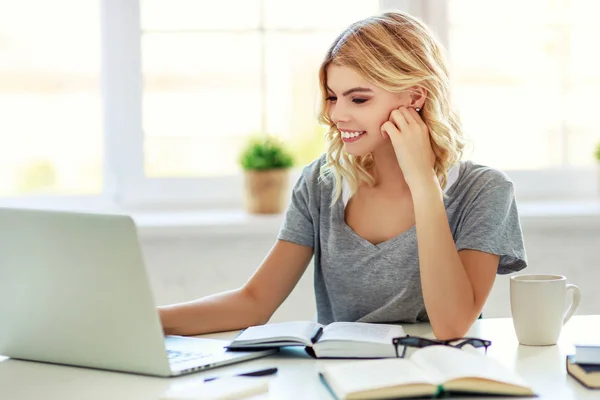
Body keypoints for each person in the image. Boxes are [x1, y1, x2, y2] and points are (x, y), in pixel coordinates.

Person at [158, 11, 527, 340]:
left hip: (441, 380)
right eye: (333, 97)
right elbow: (254, 303)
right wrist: (146, 321)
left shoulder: (485, 191)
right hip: (343, 380)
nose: (337, 115)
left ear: (414, 97)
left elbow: (452, 326)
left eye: (359, 99)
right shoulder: (322, 184)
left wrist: (423, 183)